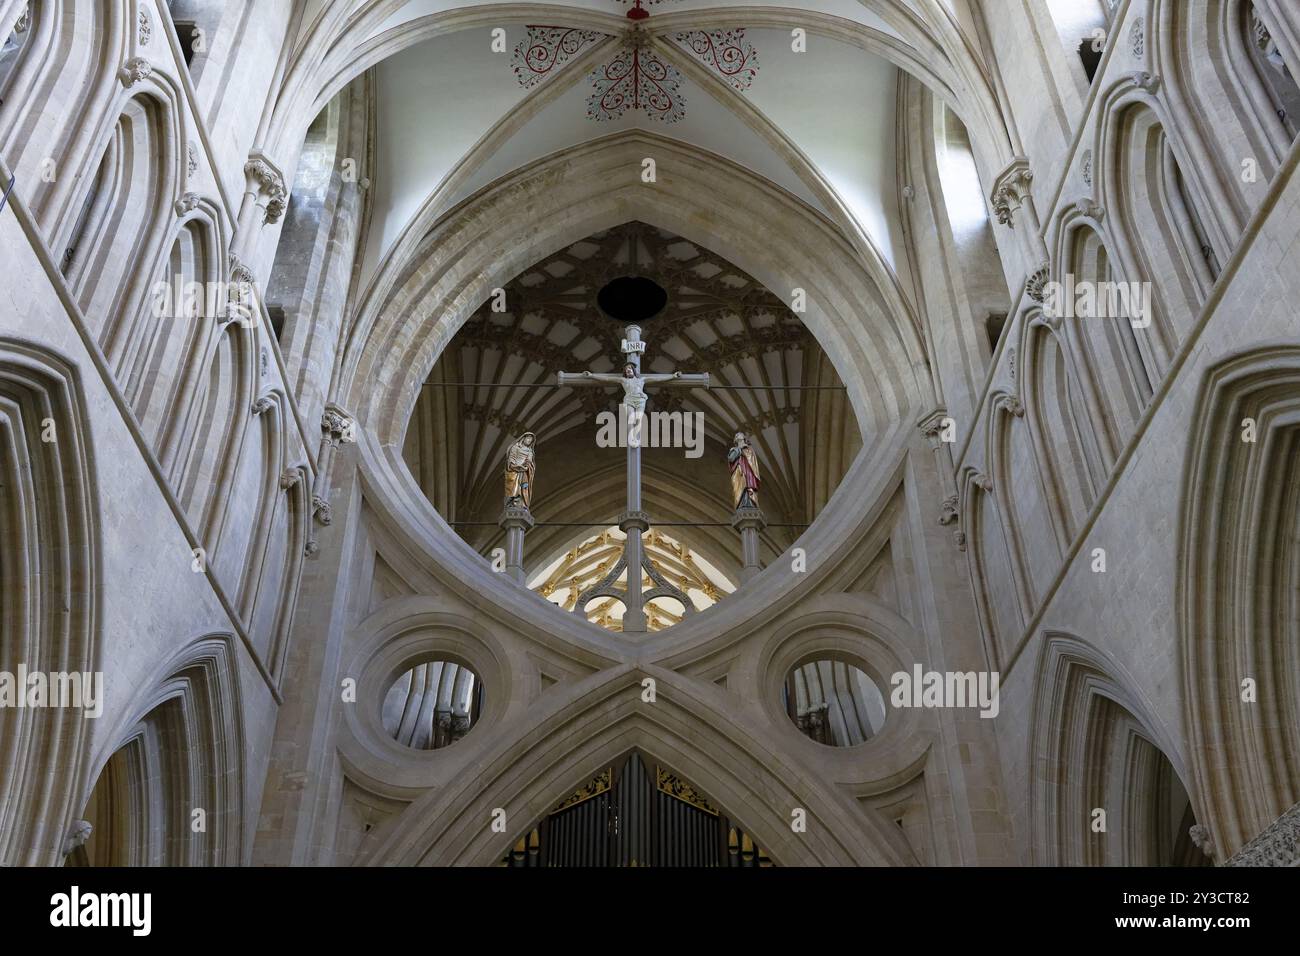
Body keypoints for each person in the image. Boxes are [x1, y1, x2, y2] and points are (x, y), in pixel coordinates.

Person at [728, 431, 760, 510]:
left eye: (740, 434)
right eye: (737, 435)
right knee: (740, 489)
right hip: (738, 473)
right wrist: (740, 449)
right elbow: (731, 459)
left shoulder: (749, 449)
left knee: (748, 487)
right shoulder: (734, 449)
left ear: (744, 438)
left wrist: (744, 448)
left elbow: (752, 462)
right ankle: (741, 504)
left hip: (748, 473)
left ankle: (750, 503)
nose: (738, 435)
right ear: (735, 440)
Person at [504, 432, 537, 509]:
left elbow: (529, 461)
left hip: (524, 473)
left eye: (531, 440)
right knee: (512, 487)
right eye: (528, 438)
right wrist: (515, 465)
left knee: (523, 487)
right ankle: (511, 503)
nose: (529, 441)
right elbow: (511, 458)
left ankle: (522, 504)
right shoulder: (515, 447)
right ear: (524, 438)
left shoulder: (529, 451)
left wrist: (526, 465)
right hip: (514, 470)